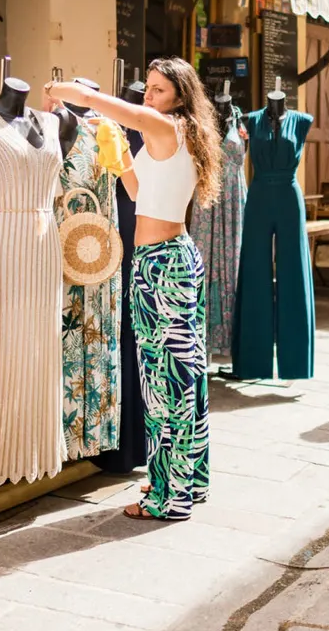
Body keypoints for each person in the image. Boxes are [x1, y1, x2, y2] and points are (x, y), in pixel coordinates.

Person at [44, 59, 223, 522]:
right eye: (148, 89)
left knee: (166, 384)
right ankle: (184, 479)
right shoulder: (174, 137)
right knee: (179, 378)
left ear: (179, 97)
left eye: (159, 90)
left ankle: (170, 496)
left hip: (164, 265)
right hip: (162, 261)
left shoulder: (166, 126)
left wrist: (62, 90)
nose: (148, 96)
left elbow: (101, 102)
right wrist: (119, 156)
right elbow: (140, 190)